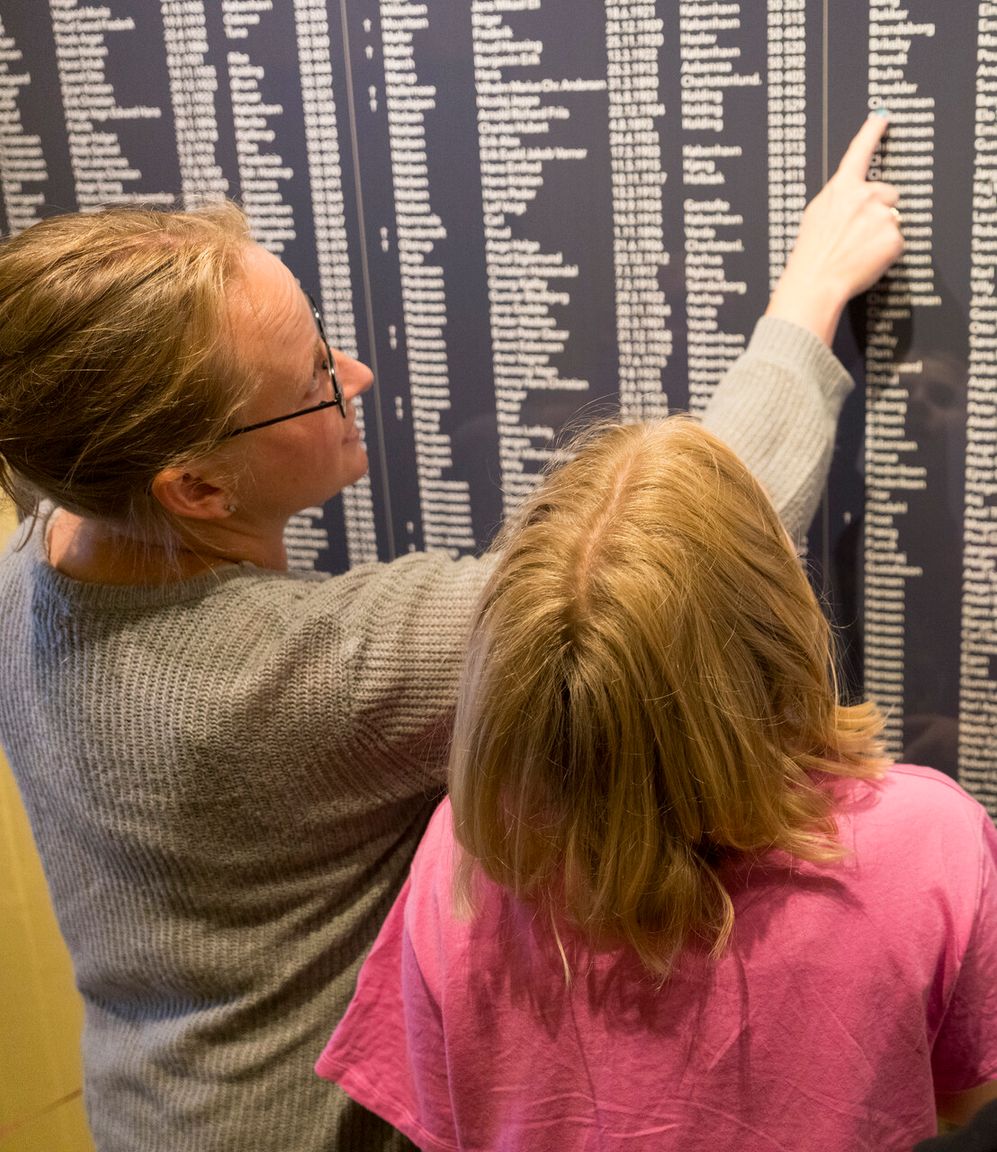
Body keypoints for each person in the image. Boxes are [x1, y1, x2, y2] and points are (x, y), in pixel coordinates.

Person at [0, 113, 899, 1152]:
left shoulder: (38, 560)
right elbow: (681, 555)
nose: (358, 378)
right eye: (313, 382)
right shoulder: (297, 677)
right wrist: (806, 298)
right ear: (194, 486)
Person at [316, 416, 997, 1151]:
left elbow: (441, 1119)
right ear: (777, 623)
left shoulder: (466, 850)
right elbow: (960, 1096)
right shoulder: (931, 844)